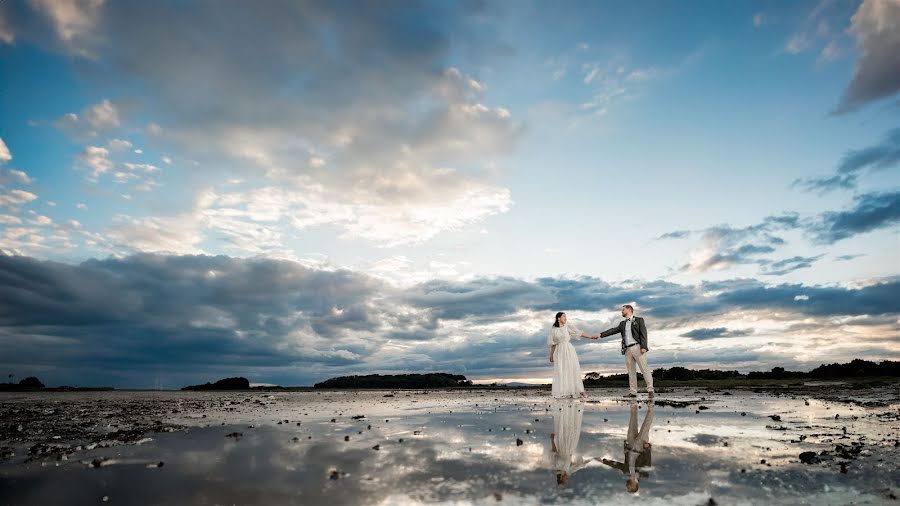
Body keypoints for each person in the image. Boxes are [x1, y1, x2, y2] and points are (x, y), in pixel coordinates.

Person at [596, 304, 654, 398]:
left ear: (629, 309)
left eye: (623, 310)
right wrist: (601, 335)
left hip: (638, 347)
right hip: (627, 349)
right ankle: (633, 392)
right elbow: (613, 330)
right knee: (631, 371)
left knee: (644, 369)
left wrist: (644, 346)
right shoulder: (622, 324)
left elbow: (644, 333)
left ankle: (650, 390)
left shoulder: (639, 320)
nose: (621, 311)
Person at [600, 401, 655, 493]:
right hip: (640, 448)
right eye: (629, 488)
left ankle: (633, 401)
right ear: (634, 487)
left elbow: (617, 465)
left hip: (630, 446)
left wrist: (604, 461)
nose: (627, 486)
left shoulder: (626, 473)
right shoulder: (644, 475)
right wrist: (648, 448)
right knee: (646, 425)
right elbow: (648, 461)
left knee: (632, 422)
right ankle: (651, 405)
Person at [548, 312, 597, 398]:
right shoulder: (553, 330)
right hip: (559, 351)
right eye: (563, 316)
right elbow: (553, 344)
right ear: (558, 318)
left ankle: (580, 390)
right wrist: (551, 355)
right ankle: (564, 391)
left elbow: (579, 333)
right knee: (561, 370)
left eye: (566, 316)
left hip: (568, 350)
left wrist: (590, 336)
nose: (565, 318)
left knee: (572, 368)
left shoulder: (567, 327)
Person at [549, 399, 589, 486]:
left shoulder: (556, 466)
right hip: (570, 445)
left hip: (562, 444)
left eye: (565, 480)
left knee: (563, 428)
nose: (567, 479)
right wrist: (591, 460)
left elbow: (554, 452)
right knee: (572, 429)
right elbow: (579, 466)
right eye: (566, 480)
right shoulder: (568, 471)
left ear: (560, 478)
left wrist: (552, 440)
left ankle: (564, 407)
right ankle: (573, 408)